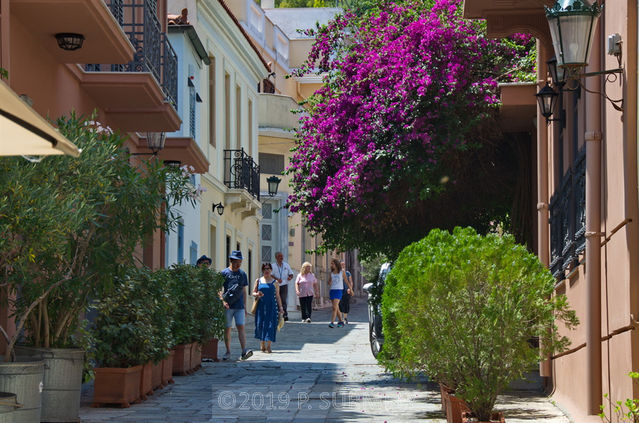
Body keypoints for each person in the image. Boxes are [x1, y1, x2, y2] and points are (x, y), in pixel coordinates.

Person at [219, 250, 252, 361]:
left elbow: (243, 291)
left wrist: (245, 306)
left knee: (241, 327)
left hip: (239, 306)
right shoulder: (224, 273)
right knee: (227, 328)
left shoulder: (242, 274)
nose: (238, 265)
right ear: (231, 261)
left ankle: (244, 351)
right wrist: (223, 301)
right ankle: (228, 351)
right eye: (236, 262)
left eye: (240, 262)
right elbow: (219, 289)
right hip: (228, 305)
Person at [252, 263, 283, 353]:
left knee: (271, 325)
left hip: (271, 306)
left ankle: (269, 345)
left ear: (271, 270)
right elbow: (253, 292)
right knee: (260, 324)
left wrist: (280, 307)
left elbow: (277, 296)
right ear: (262, 270)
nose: (266, 270)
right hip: (261, 306)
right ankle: (262, 344)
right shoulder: (258, 281)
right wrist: (257, 294)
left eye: (268, 268)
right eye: (265, 269)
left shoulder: (275, 282)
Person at [271, 252, 294, 321]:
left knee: (283, 300)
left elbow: (291, 274)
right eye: (279, 256)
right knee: (276, 299)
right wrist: (277, 279)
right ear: (276, 257)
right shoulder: (273, 266)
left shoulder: (286, 265)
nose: (281, 257)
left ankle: (284, 315)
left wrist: (290, 277)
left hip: (284, 285)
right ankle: (277, 314)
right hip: (275, 285)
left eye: (282, 256)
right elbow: (271, 275)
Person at [327, 258, 348, 328]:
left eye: (332, 263)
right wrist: (329, 282)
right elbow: (329, 282)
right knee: (336, 307)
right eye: (331, 264)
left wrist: (351, 289)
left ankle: (332, 322)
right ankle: (341, 321)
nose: (331, 265)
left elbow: (346, 281)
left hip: (339, 290)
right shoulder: (332, 273)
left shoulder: (342, 272)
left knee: (334, 307)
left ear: (336, 264)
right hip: (332, 290)